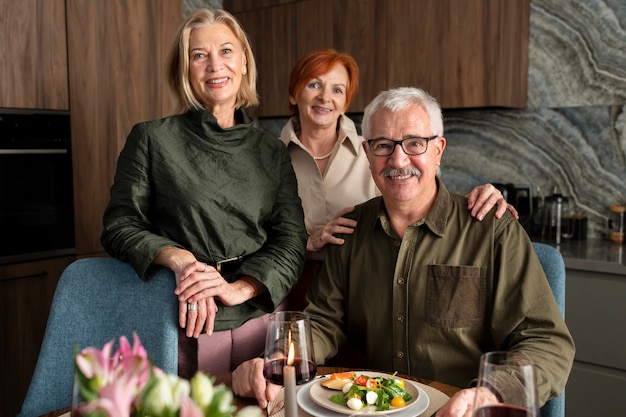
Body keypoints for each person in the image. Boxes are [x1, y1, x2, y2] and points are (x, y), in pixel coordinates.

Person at [231, 87, 575, 417]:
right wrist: (280, 358)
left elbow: (546, 343)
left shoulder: (491, 229)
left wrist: (489, 393)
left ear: (438, 149)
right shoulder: (350, 231)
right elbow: (323, 321)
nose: (398, 159)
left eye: (414, 143)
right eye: (383, 145)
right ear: (367, 153)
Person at [100, 8, 307, 375]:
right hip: (181, 319)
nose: (215, 65)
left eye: (226, 51)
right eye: (199, 55)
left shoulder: (271, 151)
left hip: (259, 318)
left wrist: (238, 289)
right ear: (185, 69)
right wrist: (182, 261)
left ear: (243, 61)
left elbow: (291, 240)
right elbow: (120, 226)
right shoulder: (151, 138)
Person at [281, 49, 518, 309]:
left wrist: (481, 198)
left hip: (370, 287)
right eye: (314, 84)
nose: (325, 96)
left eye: (337, 89)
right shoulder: (270, 159)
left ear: (346, 101)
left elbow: (423, 194)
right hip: (289, 282)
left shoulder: (378, 149)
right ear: (294, 93)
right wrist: (309, 242)